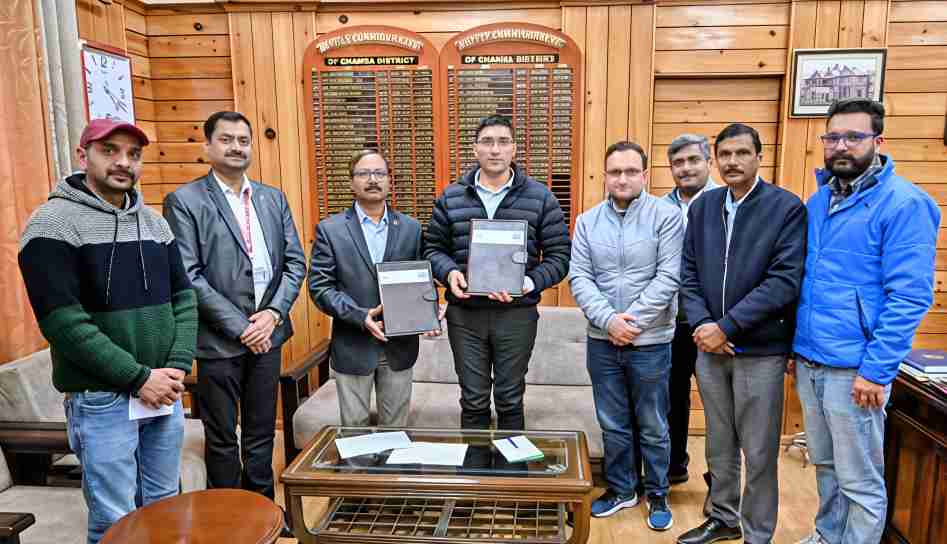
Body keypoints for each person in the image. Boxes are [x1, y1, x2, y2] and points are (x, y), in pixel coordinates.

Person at [18, 118, 197, 544]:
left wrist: (175, 367)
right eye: (110, 150)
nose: (123, 162)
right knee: (115, 521)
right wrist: (139, 378)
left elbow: (185, 300)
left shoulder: (155, 223)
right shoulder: (51, 225)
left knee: (165, 506)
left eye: (133, 154)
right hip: (103, 400)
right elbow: (63, 323)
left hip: (164, 392)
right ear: (83, 156)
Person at [792, 98, 939, 544]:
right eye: (833, 137)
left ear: (879, 141)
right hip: (812, 360)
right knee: (826, 466)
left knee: (859, 479)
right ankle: (827, 535)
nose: (841, 146)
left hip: (856, 369)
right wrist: (796, 347)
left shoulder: (905, 204)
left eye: (854, 137)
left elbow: (909, 296)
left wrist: (876, 370)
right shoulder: (819, 201)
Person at [163, 112, 306, 507]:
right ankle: (227, 516)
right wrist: (242, 327)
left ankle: (262, 509)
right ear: (207, 146)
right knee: (223, 436)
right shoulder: (185, 201)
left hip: (269, 335)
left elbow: (295, 263)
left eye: (243, 140)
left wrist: (273, 314)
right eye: (226, 139)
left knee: (262, 432)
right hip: (218, 341)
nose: (236, 147)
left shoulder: (272, 198)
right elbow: (188, 274)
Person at [677, 123, 807, 544]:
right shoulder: (704, 206)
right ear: (716, 160)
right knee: (718, 443)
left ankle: (758, 533)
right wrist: (703, 326)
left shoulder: (785, 208)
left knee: (760, 448)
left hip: (759, 350)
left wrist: (726, 327)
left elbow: (784, 281)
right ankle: (724, 517)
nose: (732, 161)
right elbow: (688, 273)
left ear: (759, 157)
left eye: (742, 153)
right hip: (709, 348)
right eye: (725, 154)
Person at [423, 114, 570, 431]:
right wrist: (449, 274)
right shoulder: (451, 197)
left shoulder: (541, 197)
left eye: (503, 142)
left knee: (510, 399)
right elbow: (432, 249)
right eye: (487, 142)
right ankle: (475, 464)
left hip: (516, 314)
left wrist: (527, 282)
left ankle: (508, 464)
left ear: (514, 149)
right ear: (475, 149)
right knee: (473, 400)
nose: (495, 149)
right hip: (465, 316)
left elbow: (560, 257)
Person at [569, 141, 682, 530]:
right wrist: (609, 322)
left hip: (651, 341)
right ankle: (622, 489)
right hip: (602, 341)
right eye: (615, 171)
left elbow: (669, 276)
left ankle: (658, 492)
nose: (622, 178)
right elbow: (580, 278)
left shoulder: (667, 217)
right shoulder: (587, 221)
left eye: (631, 171)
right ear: (605, 176)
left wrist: (630, 323)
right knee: (612, 422)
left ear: (644, 175)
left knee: (653, 424)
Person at [309, 149, 438, 427]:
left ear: (390, 180)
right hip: (352, 344)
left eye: (380, 173)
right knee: (353, 431)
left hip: (399, 346)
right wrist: (359, 315)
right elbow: (320, 287)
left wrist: (429, 309)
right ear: (351, 182)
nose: (372, 179)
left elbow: (421, 278)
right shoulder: (330, 230)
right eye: (364, 173)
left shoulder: (411, 228)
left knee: (396, 430)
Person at [662, 134, 720, 498]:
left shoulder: (725, 202)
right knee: (672, 398)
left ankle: (721, 482)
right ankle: (674, 466)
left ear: (708, 163)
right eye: (678, 163)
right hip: (671, 321)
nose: (685, 168)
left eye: (693, 160)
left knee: (719, 405)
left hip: (715, 323)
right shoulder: (659, 207)